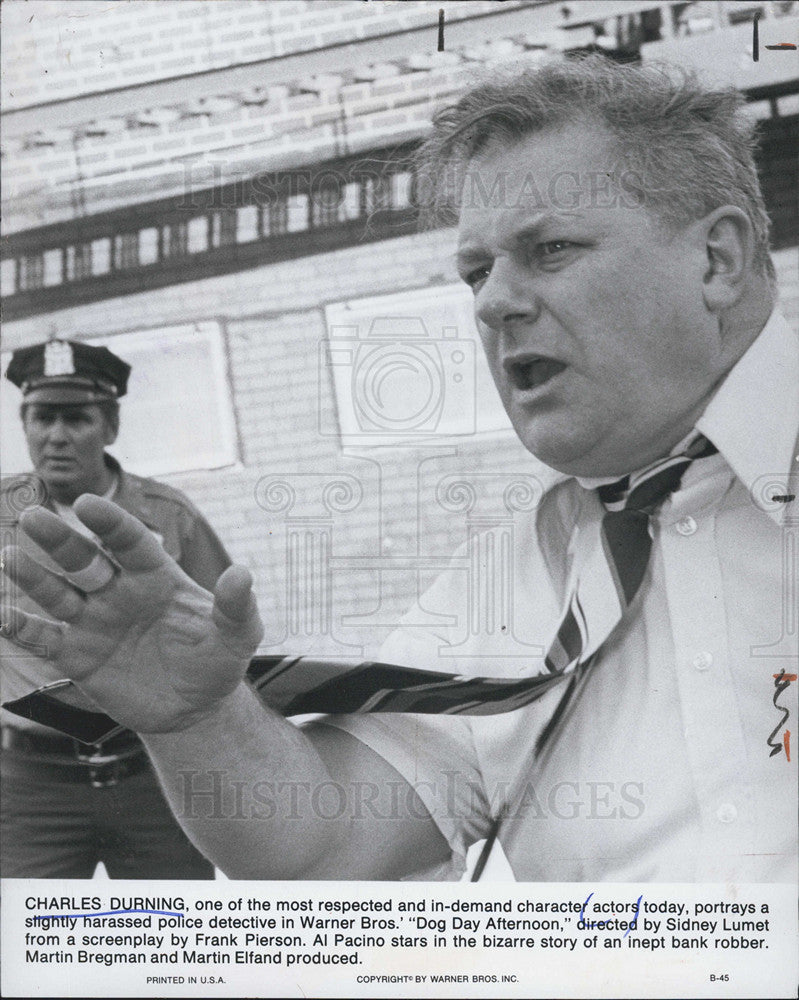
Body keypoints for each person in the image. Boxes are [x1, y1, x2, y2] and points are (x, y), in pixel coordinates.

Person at [2, 56, 797, 882]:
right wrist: (194, 720)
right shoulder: (507, 585)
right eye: (477, 271)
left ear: (717, 260)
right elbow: (323, 838)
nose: (492, 303)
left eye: (550, 248)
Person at [1, 338, 232, 878]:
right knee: (27, 952)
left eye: (76, 418)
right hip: (30, 788)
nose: (55, 436)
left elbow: (227, 641)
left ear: (110, 426)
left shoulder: (169, 518)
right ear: (25, 423)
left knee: (174, 949)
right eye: (42, 417)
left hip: (153, 779)